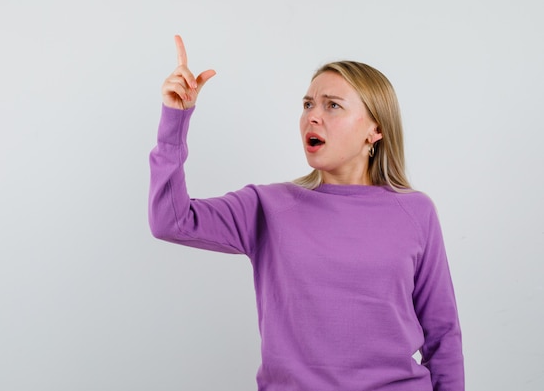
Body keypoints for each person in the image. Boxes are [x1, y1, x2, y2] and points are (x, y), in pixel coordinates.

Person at [148, 35, 464, 391]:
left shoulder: (415, 212)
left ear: (375, 129)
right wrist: (175, 120)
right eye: (307, 104)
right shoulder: (268, 207)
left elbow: (443, 335)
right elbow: (170, 221)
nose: (312, 116)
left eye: (332, 106)